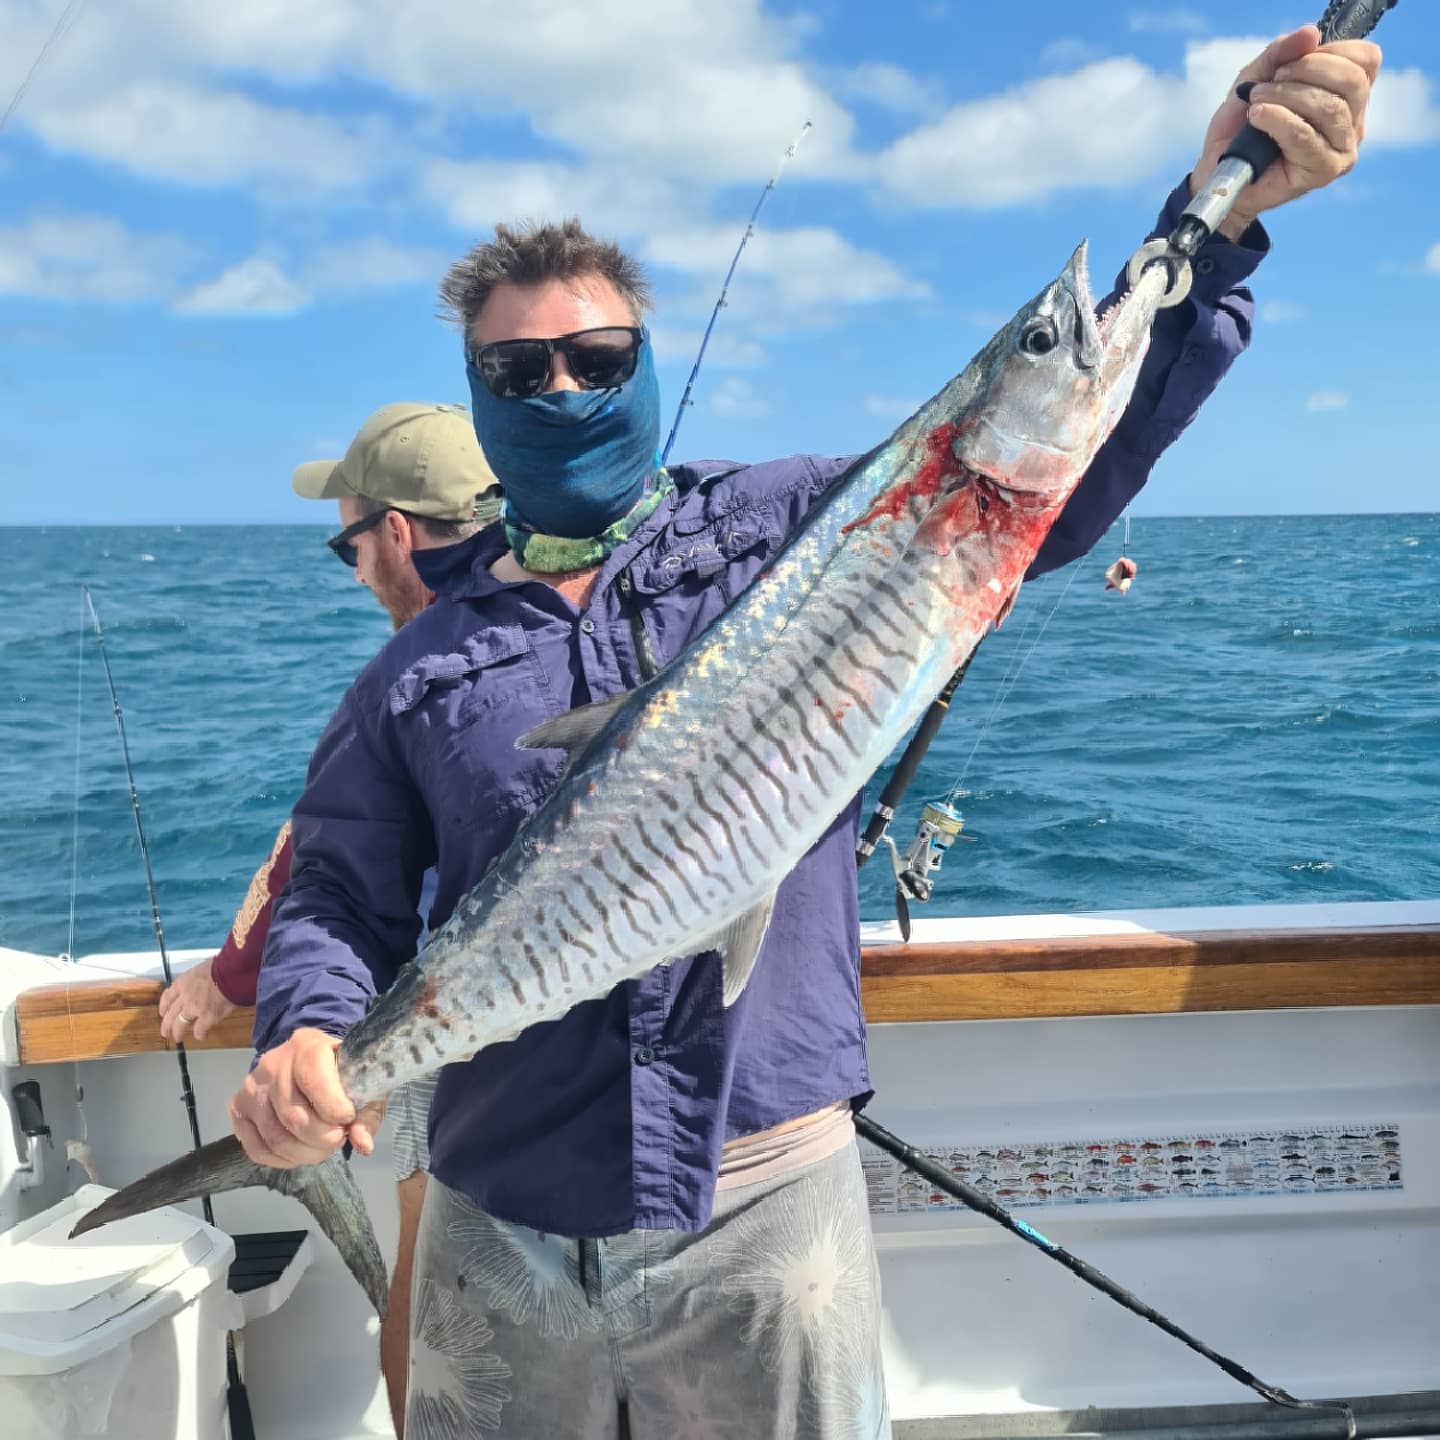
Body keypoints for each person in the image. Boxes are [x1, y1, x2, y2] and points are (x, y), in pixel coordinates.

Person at [233, 29, 1380, 1438]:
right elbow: (340, 891)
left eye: (596, 355)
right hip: (498, 1218)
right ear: (481, 402)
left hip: (764, 1198)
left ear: (645, 362)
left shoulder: (799, 524)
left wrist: (1216, 224)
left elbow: (1061, 484)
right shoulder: (416, 668)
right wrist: (306, 1032)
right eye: (520, 373)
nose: (564, 389)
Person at [156, 401, 499, 1439]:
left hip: (455, 1015)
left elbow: (319, 853)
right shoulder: (557, 613)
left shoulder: (412, 670)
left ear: (396, 534)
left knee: (428, 1265)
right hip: (560, 1002)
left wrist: (228, 973)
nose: (353, 568)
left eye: (348, 541)